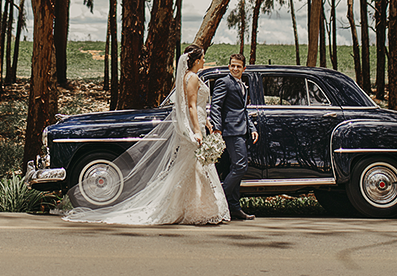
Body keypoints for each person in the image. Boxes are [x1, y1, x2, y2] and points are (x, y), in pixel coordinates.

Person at [63, 45, 229, 225]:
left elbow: (195, 107)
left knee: (193, 169)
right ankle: (193, 209)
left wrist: (206, 122)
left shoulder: (186, 77)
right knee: (192, 168)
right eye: (203, 57)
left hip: (196, 125)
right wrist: (197, 131)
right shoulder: (193, 78)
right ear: (196, 60)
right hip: (193, 128)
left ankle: (192, 207)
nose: (204, 60)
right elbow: (190, 106)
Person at [209, 52, 258, 220]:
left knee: (234, 168)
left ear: (244, 68)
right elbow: (216, 106)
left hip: (242, 130)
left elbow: (244, 109)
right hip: (230, 130)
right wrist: (217, 128)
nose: (235, 68)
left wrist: (252, 127)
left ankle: (234, 207)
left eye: (238, 66)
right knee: (240, 166)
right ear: (229, 66)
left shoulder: (242, 84)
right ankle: (217, 196)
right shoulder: (224, 82)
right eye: (232, 65)